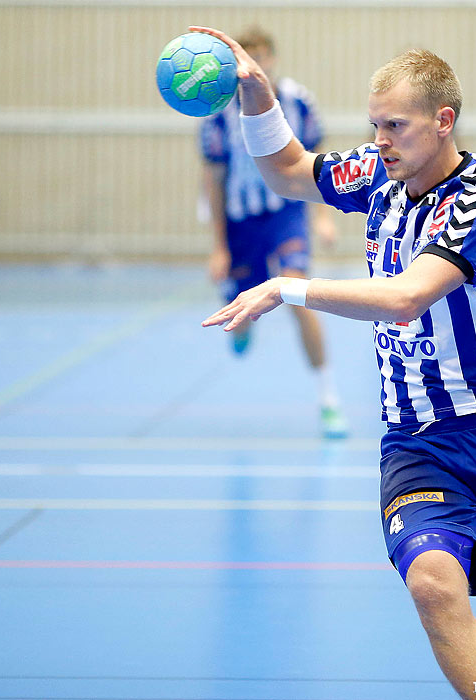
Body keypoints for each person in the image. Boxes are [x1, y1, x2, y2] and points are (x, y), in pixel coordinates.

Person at [196, 26, 476, 700]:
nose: (380, 139)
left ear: (444, 122)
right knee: (434, 586)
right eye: (375, 124)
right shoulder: (380, 171)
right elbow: (286, 171)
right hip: (418, 442)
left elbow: (406, 295)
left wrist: (287, 287)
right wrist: (257, 99)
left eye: (395, 126)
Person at [199, 27, 347, 439]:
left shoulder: (298, 101)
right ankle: (244, 326)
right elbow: (213, 178)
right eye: (250, 55)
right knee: (240, 315)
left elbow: (318, 161)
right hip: (241, 221)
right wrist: (218, 247)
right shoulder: (216, 112)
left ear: (273, 59)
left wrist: (323, 216)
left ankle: (329, 399)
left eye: (264, 55)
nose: (258, 62)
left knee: (300, 295)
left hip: (286, 214)